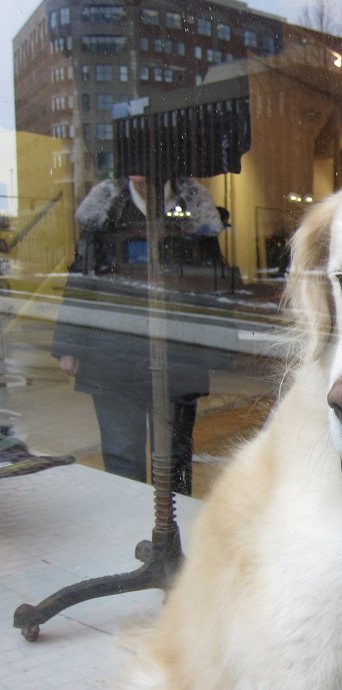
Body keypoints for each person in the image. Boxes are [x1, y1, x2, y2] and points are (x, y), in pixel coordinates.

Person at [52, 175, 224, 494]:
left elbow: (213, 282)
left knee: (175, 455)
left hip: (177, 351)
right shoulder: (106, 212)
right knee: (121, 452)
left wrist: (218, 347)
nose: (143, 173)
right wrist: (69, 344)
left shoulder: (193, 211)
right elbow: (81, 278)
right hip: (112, 351)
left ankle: (175, 531)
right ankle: (126, 526)